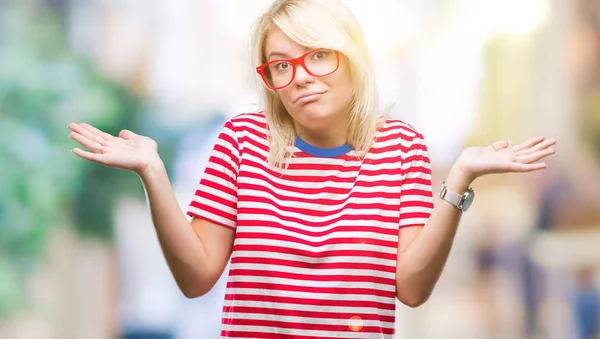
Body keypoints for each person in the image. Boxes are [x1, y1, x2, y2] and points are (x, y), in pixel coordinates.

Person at [67, 0, 556, 337]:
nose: (300, 76)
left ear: (352, 59)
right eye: (281, 65)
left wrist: (458, 182)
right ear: (270, 79)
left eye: (318, 56)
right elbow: (196, 277)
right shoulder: (241, 140)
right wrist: (152, 172)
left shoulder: (401, 147)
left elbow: (411, 288)